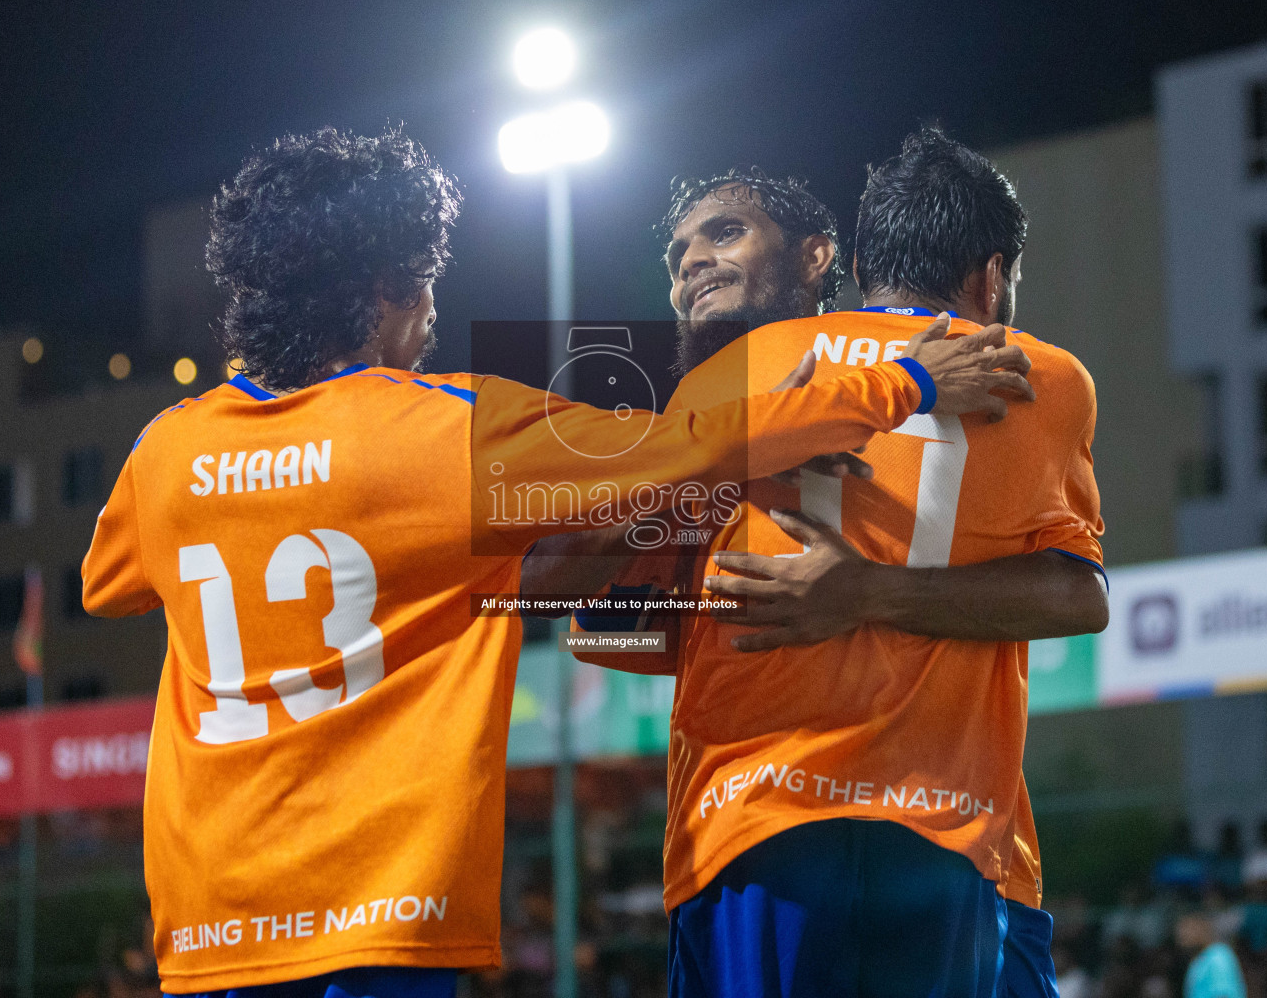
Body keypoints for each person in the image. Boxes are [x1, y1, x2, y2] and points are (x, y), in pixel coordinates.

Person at [80, 128, 1026, 997]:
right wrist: (905, 380)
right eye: (428, 287)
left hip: (207, 916)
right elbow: (687, 443)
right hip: (370, 906)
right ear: (388, 289)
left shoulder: (166, 450)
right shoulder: (446, 427)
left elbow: (109, 584)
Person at [526, 134, 1107, 996]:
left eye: (720, 234)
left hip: (753, 816)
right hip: (949, 830)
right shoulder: (1040, 377)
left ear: (850, 259)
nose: (691, 264)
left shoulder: (730, 378)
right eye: (682, 249)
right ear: (992, 279)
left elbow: (599, 625)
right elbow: (1078, 596)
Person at [1178, 912, 1248, 998]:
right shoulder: (1199, 959)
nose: (1182, 935)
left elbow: (1222, 995)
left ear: (1203, 927)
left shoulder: (1218, 956)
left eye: (1188, 929)